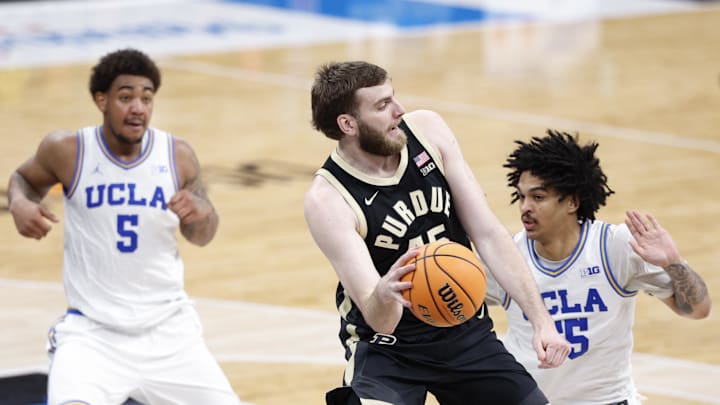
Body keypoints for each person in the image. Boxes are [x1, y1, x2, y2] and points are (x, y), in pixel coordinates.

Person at [304, 60, 571, 405]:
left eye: (393, 98)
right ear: (348, 124)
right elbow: (379, 320)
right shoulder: (328, 199)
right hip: (389, 350)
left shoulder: (428, 131)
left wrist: (541, 321)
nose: (399, 110)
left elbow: (487, 232)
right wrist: (384, 293)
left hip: (464, 331)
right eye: (383, 105)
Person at [7, 48, 245, 405]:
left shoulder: (177, 155)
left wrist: (201, 213)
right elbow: (23, 179)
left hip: (169, 333)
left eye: (146, 98)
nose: (138, 108)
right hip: (93, 335)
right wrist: (21, 203)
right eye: (126, 97)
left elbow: (202, 236)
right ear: (101, 100)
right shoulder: (68, 150)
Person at [486, 129, 711, 405]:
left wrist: (674, 263)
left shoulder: (614, 247)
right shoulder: (507, 256)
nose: (525, 207)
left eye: (538, 197)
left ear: (572, 202)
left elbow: (697, 309)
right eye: (521, 197)